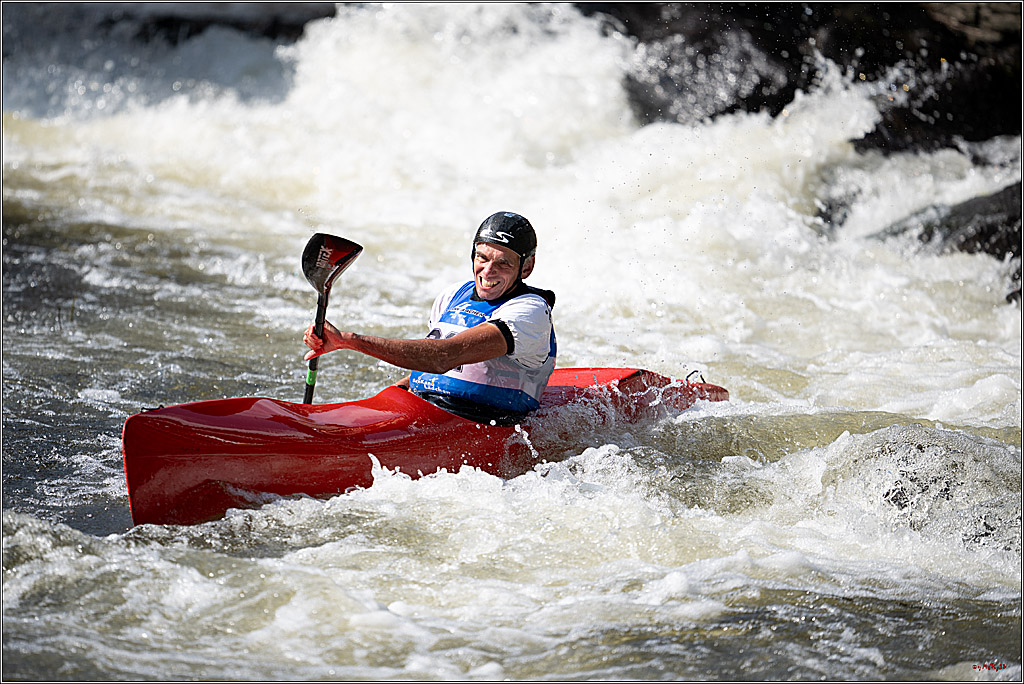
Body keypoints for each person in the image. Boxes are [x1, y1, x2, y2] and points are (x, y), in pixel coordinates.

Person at [304, 211, 557, 424]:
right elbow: (430, 372)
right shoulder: (452, 295)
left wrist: (349, 341)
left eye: (503, 263)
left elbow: (443, 357)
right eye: (482, 257)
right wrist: (388, 398)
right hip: (425, 412)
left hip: (482, 423)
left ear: (526, 267)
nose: (488, 271)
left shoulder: (530, 311)